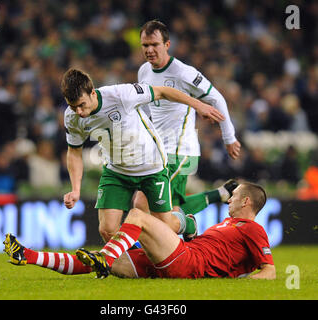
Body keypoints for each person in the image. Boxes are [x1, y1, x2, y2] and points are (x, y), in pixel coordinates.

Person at [61, 68, 225, 242]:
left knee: (164, 225)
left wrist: (198, 105)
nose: (78, 111)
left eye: (81, 105)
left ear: (92, 93)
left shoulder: (121, 95)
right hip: (116, 171)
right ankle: (134, 266)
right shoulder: (71, 117)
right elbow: (74, 152)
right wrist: (76, 190)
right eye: (73, 106)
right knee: (107, 230)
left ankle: (188, 223)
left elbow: (162, 91)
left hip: (151, 167)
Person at [133, 20, 241, 219]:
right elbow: (147, 108)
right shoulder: (144, 71)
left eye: (154, 45)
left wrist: (229, 137)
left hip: (180, 152)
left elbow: (216, 98)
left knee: (143, 205)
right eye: (145, 45)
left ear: (167, 45)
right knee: (169, 211)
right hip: (157, 152)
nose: (149, 50)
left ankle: (179, 231)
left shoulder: (183, 72)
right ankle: (217, 197)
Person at [76, 181, 276, 280]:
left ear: (246, 201)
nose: (230, 200)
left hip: (188, 261)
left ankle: (112, 255)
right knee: (96, 257)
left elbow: (270, 271)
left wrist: (241, 283)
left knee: (137, 215)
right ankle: (43, 259)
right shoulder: (227, 223)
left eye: (233, 196)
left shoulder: (253, 229)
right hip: (185, 255)